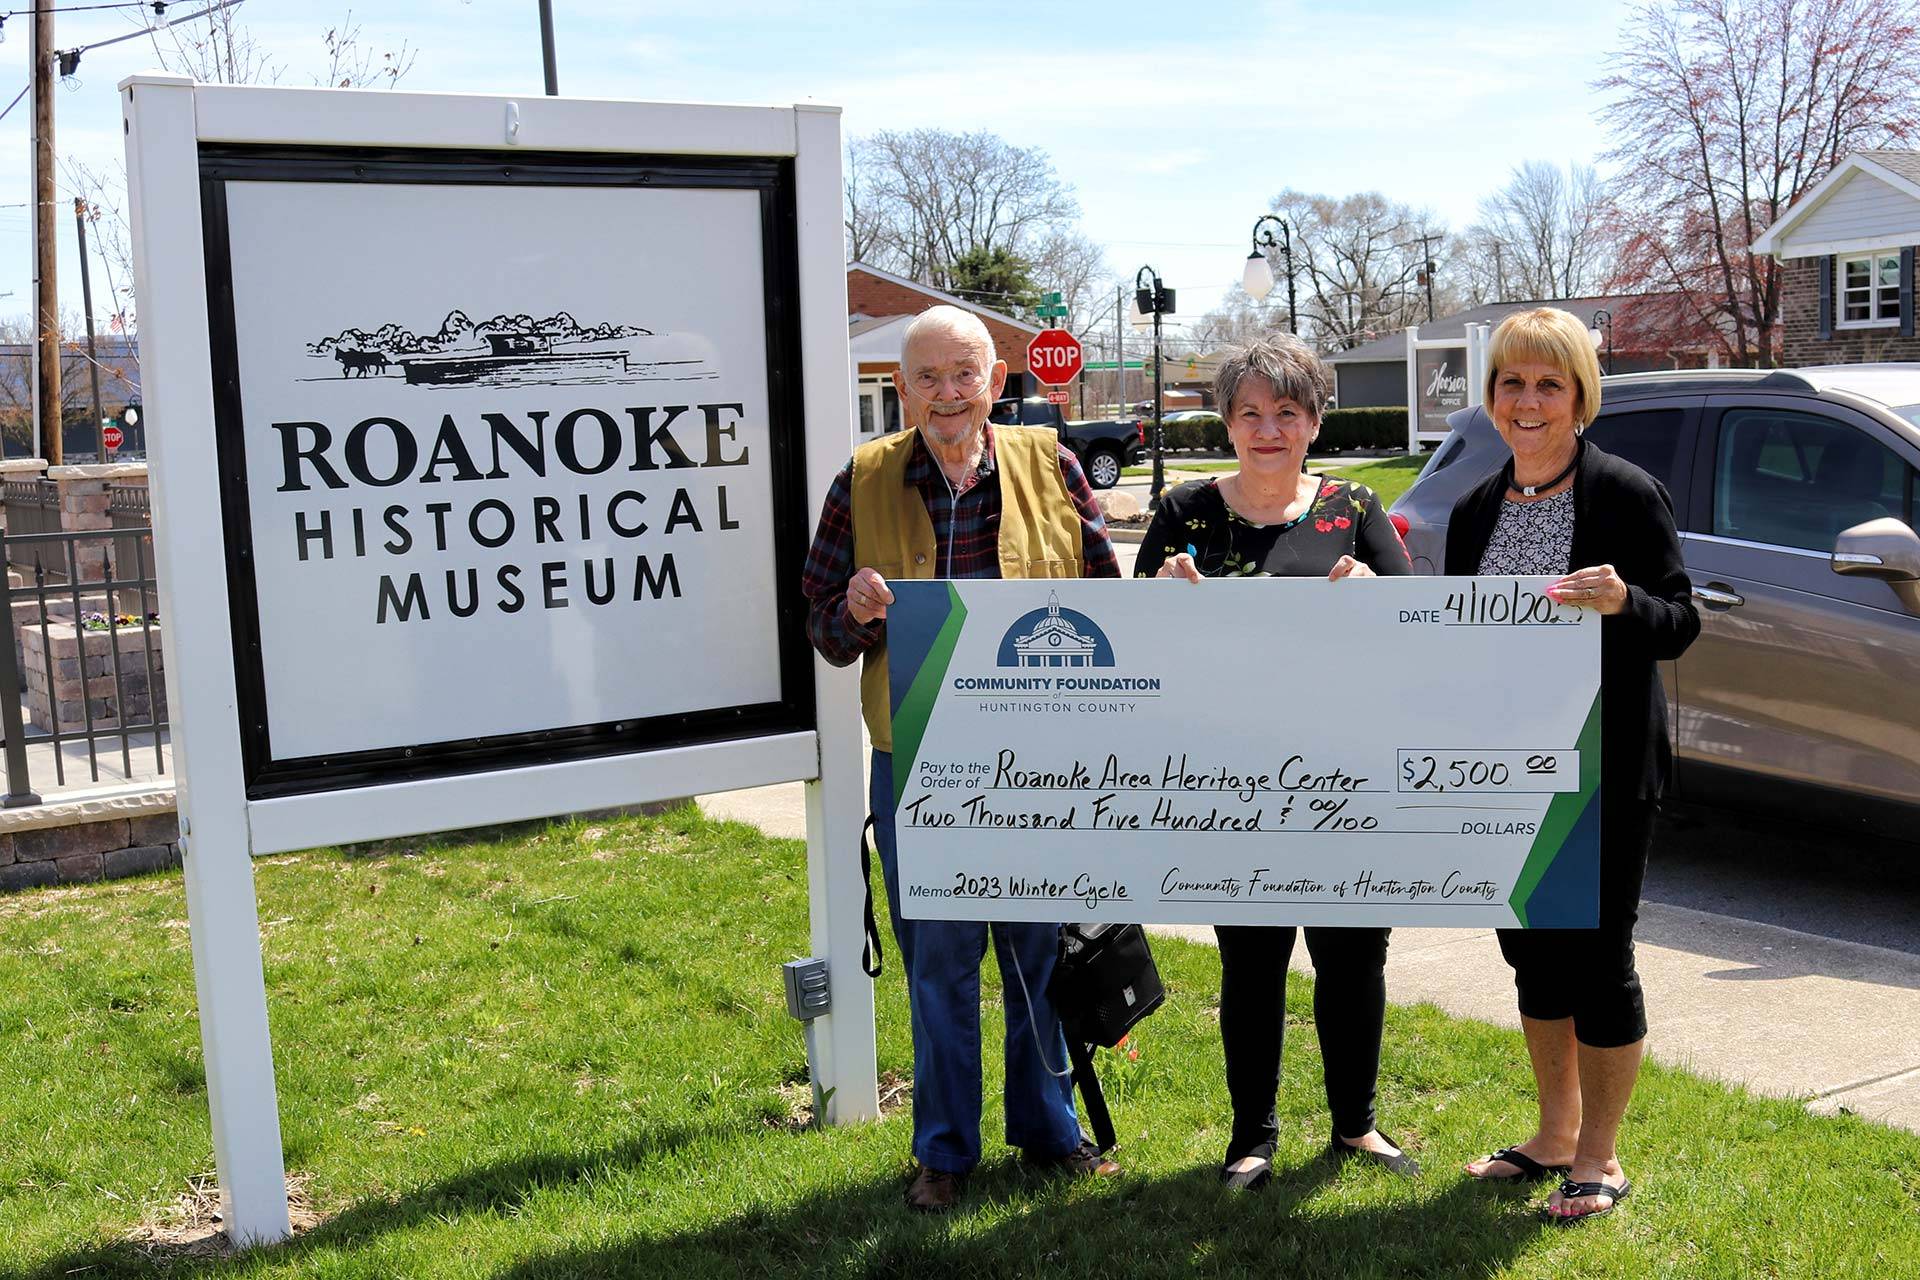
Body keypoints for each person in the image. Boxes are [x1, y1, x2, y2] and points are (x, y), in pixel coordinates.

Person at [801, 305, 1123, 1212]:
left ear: (996, 381)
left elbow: (1107, 594)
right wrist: (855, 609)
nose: (948, 394)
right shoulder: (859, 481)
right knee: (937, 957)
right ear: (901, 389)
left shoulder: (1048, 463)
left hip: (1035, 758)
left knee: (1033, 951)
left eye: (965, 375)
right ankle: (944, 1150)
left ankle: (1049, 1133)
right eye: (929, 378)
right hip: (919, 755)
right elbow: (822, 628)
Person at [1136, 333, 1418, 1190]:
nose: (1267, 430)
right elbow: (1132, 641)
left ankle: (1356, 1127)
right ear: (1226, 421)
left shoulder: (1355, 507)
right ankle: (1251, 1138)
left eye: (1286, 413)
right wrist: (1157, 603)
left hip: (1344, 773)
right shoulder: (1183, 512)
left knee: (1352, 954)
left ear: (1315, 422)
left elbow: (1418, 632)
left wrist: (1377, 599)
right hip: (1229, 777)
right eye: (1250, 413)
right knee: (1250, 961)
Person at [1451, 307, 1699, 1223]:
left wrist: (1625, 600)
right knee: (1531, 959)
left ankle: (1601, 1156)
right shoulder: (1478, 506)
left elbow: (1681, 622)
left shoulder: (1626, 495)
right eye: (1511, 382)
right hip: (1501, 772)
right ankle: (1554, 1136)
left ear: (1580, 397)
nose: (1527, 400)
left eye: (1548, 383)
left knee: (1599, 960)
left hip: (1600, 770)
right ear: (1490, 397)